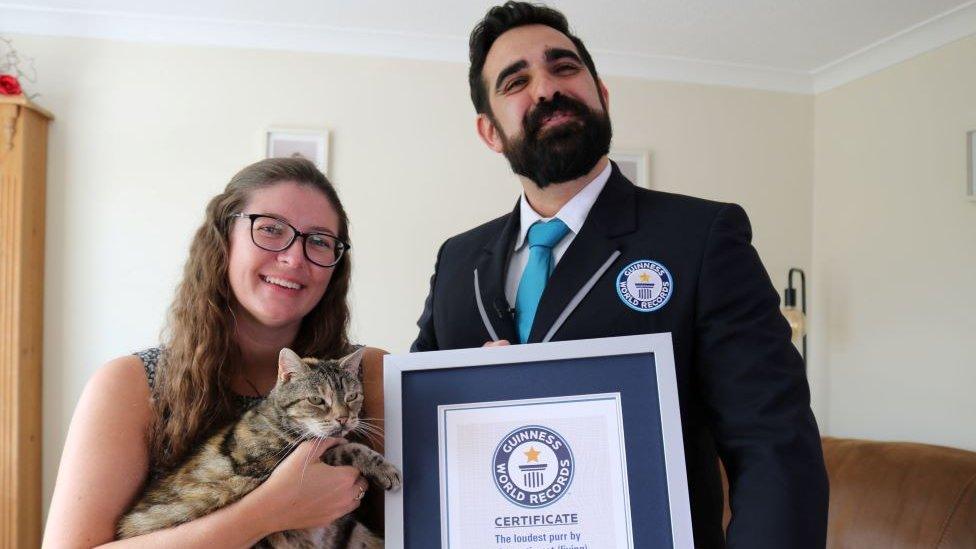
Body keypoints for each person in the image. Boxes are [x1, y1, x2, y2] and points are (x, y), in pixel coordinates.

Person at [410, 2, 828, 547]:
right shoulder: (456, 261)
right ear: (490, 131)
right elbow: (415, 429)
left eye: (564, 68)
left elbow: (775, 449)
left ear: (601, 96)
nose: (545, 89)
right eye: (517, 81)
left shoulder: (701, 236)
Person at [44, 158, 386, 547]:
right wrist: (267, 511)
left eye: (320, 240)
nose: (294, 258)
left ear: (336, 266)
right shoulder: (132, 382)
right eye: (271, 229)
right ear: (223, 239)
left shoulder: (371, 372)